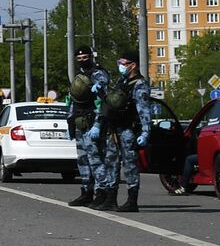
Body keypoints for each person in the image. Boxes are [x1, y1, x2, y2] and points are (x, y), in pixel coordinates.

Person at [91, 50, 154, 212]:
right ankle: (111, 198)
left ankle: (132, 200)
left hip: (128, 129)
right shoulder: (122, 82)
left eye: (123, 63)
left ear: (133, 65)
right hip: (114, 128)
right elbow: (110, 103)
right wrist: (100, 91)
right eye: (119, 63)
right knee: (111, 163)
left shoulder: (140, 84)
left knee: (129, 165)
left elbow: (144, 109)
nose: (120, 66)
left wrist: (145, 132)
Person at [66, 46, 109, 207]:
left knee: (96, 160)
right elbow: (74, 101)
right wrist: (70, 122)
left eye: (85, 57)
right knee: (83, 160)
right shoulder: (79, 76)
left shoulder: (99, 74)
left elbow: (103, 102)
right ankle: (86, 192)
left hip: (93, 123)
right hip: (80, 122)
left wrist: (98, 124)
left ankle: (102, 192)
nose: (83, 60)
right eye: (79, 58)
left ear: (91, 56)